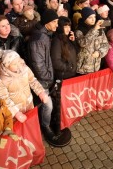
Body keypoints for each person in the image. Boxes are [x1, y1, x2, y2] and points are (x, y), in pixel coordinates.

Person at [27, 9, 71, 147]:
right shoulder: (38, 39)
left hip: (46, 78)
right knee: (48, 104)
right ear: (47, 22)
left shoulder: (45, 34)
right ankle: (45, 127)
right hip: (42, 80)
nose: (57, 25)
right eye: (55, 22)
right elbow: (38, 64)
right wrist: (49, 78)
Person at [0, 49, 46, 123]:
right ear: (7, 65)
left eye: (19, 61)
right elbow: (4, 99)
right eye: (15, 64)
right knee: (20, 132)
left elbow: (33, 81)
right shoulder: (1, 80)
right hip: (16, 112)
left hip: (29, 105)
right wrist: (16, 113)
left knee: (32, 125)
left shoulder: (25, 69)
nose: (19, 65)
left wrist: (41, 92)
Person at [75, 7, 110, 74]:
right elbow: (83, 43)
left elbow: (105, 44)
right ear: (85, 18)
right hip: (83, 69)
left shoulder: (99, 29)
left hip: (96, 66)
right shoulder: (79, 30)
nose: (93, 19)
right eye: (90, 17)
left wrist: (99, 53)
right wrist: (94, 30)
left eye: (94, 17)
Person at [51, 16, 78, 81]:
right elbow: (56, 62)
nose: (68, 29)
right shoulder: (57, 40)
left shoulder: (67, 38)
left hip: (71, 74)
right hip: (64, 76)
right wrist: (69, 67)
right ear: (60, 27)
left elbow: (77, 52)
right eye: (65, 26)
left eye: (69, 26)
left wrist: (73, 41)